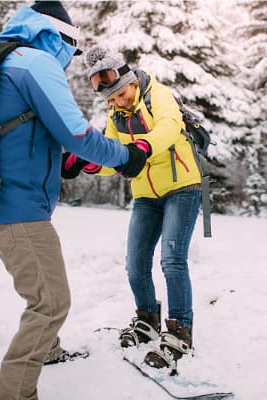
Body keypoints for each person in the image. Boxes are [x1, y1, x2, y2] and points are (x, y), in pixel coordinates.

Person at [0, 3, 147, 399]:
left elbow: (29, 131)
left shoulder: (6, 60)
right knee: (50, 303)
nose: (70, 60)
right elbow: (77, 133)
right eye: (71, 47)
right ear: (59, 36)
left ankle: (47, 351)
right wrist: (127, 157)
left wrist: (65, 162)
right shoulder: (35, 62)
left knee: (43, 293)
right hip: (16, 206)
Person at [62, 46, 202, 369]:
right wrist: (89, 162)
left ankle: (181, 331)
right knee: (135, 263)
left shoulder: (158, 94)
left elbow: (167, 129)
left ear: (130, 81)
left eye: (121, 94)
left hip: (182, 188)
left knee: (172, 260)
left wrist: (141, 146)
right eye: (110, 99)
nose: (117, 102)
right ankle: (147, 321)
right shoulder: (116, 115)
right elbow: (116, 157)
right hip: (145, 195)